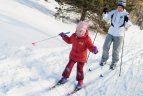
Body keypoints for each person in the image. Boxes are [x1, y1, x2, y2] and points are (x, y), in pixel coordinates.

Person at [58, 21, 98, 90]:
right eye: (77, 31)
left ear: (84, 31)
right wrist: (64, 36)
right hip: (73, 56)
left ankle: (80, 81)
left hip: (81, 58)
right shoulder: (74, 36)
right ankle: (64, 77)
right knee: (68, 67)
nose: (78, 33)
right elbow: (69, 41)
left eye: (80, 31)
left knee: (80, 70)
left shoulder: (87, 39)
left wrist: (94, 49)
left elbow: (90, 46)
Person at [100, 0, 131, 70]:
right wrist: (104, 12)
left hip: (119, 35)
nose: (119, 8)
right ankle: (104, 59)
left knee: (116, 50)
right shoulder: (114, 12)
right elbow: (106, 18)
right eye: (118, 7)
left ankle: (114, 63)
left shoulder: (126, 14)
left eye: (121, 7)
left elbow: (128, 25)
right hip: (110, 33)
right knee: (105, 47)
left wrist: (127, 20)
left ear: (123, 7)